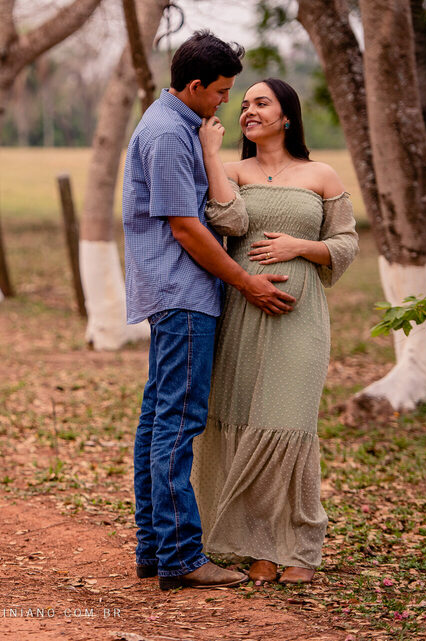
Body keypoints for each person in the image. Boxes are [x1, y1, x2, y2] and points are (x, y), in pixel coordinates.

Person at [123, 32, 298, 590]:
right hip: (184, 295)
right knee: (177, 426)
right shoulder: (169, 134)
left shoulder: (171, 124)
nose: (227, 101)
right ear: (195, 86)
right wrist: (246, 281)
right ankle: (179, 557)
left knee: (157, 423)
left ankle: (154, 549)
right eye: (222, 92)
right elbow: (187, 229)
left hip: (171, 294)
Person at [191, 78, 359, 585]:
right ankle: (259, 546)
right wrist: (212, 156)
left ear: (287, 114)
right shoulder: (230, 171)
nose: (248, 111)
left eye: (261, 102)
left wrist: (300, 247)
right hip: (241, 313)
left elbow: (347, 243)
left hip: (301, 319)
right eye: (243, 105)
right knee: (242, 420)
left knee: (287, 424)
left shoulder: (322, 174)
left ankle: (301, 547)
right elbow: (230, 221)